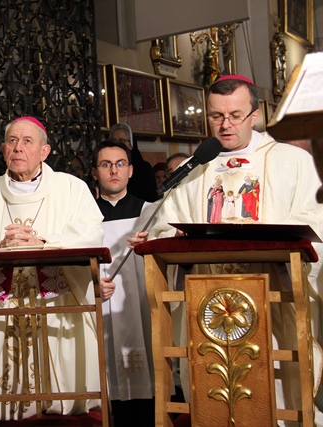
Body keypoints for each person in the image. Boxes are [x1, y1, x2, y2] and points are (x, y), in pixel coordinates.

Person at [142, 74, 323, 423]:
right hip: (208, 298)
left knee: (271, 377)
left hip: (273, 293)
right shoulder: (196, 168)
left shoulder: (291, 161)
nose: (225, 125)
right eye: (216, 116)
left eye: (235, 115)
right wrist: (168, 236)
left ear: (254, 116)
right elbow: (165, 224)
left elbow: (316, 219)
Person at [0, 116, 106, 425]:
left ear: (45, 151)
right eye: (12, 141)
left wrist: (44, 243)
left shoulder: (71, 188)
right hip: (0, 305)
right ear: (3, 149)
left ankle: (62, 404)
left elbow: (92, 234)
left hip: (57, 303)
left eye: (27, 141)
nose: (18, 148)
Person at [92, 140, 156, 426]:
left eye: (120, 164)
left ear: (130, 170)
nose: (113, 171)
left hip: (140, 303)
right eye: (106, 165)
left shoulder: (151, 213)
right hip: (100, 305)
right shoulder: (85, 216)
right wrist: (91, 286)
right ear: (95, 173)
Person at [109, 123, 158, 203]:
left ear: (131, 145)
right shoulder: (106, 167)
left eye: (122, 140)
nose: (117, 144)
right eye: (114, 140)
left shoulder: (144, 168)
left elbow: (151, 199)